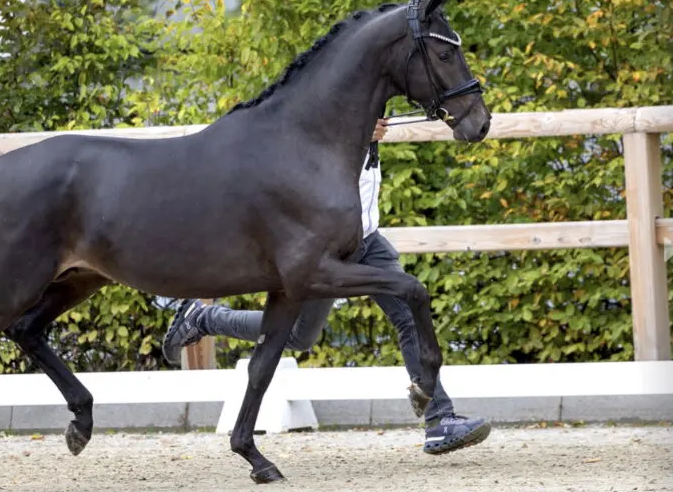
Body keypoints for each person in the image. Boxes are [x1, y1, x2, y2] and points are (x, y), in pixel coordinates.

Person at [161, 118, 491, 456]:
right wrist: (356, 131)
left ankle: (439, 420)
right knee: (298, 337)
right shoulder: (329, 123)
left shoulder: (369, 106)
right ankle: (205, 318)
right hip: (328, 249)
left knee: (408, 316)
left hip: (368, 240)